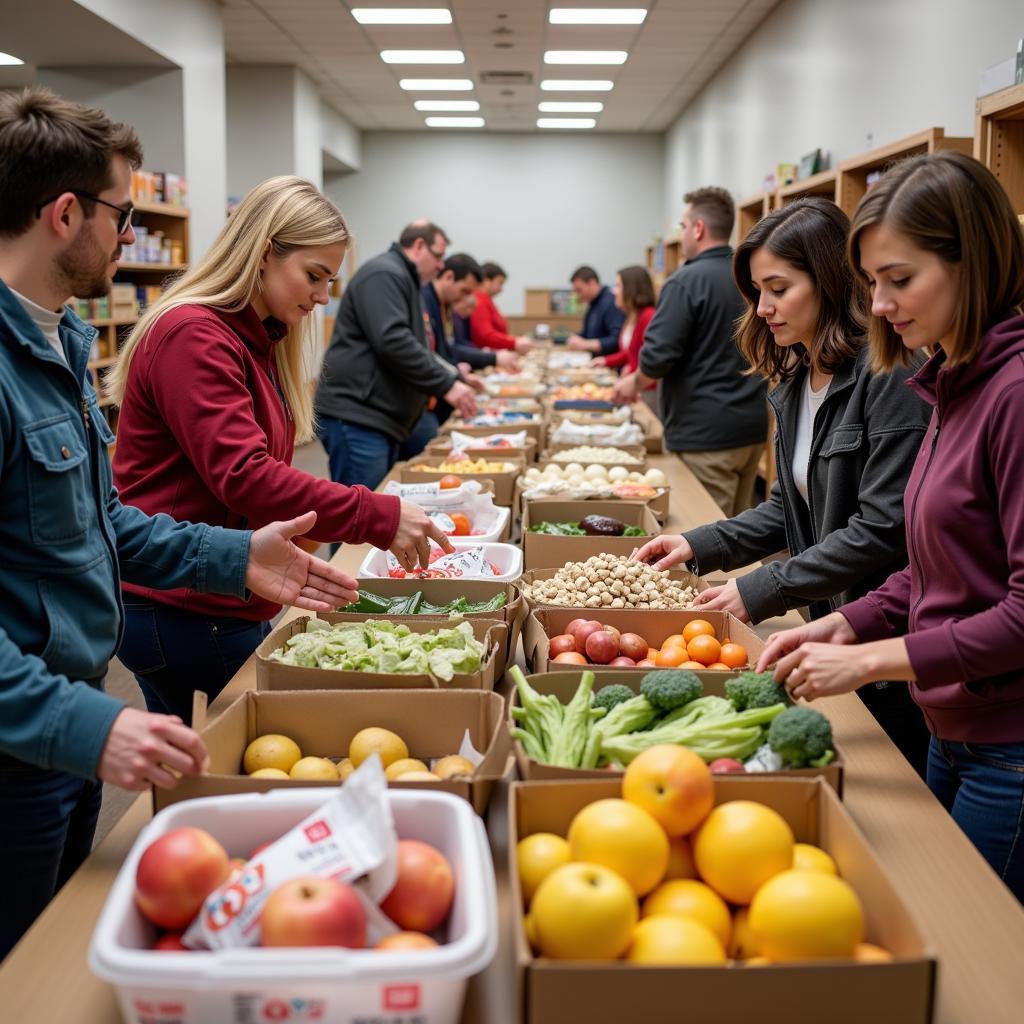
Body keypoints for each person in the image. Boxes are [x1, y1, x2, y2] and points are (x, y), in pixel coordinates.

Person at [0, 87, 358, 957]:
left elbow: (103, 521)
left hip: (73, 721)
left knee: (62, 945)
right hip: (29, 740)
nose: (131, 235)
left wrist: (236, 557)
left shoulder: (61, 343)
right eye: (124, 214)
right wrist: (88, 725)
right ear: (64, 213)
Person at [756, 152, 1024, 899]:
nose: (877, 304)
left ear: (975, 264)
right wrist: (850, 624)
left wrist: (873, 660)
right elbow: (934, 561)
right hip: (951, 725)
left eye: (899, 280)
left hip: (1008, 746)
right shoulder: (949, 382)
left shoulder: (1013, 396)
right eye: (872, 282)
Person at [108, 177, 453, 720]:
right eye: (313, 276)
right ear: (265, 252)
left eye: (329, 281)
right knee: (248, 757)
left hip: (217, 593)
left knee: (200, 762)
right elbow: (245, 475)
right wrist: (374, 514)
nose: (321, 297)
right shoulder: (195, 334)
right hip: (184, 603)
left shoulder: (258, 336)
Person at [634, 197, 931, 774]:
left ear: (827, 281)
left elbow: (882, 528)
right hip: (830, 620)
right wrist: (702, 543)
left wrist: (763, 587)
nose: (764, 307)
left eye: (778, 288)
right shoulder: (799, 372)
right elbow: (788, 506)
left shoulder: (887, 374)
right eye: (756, 291)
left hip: (880, 638)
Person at [612, 187, 768, 517]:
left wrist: (633, 383)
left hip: (704, 435)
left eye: (683, 227)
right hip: (752, 426)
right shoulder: (752, 276)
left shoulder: (685, 281)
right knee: (739, 532)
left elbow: (657, 357)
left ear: (698, 229)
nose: (682, 235)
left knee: (707, 537)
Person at [314, 222, 477, 490]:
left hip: (379, 418)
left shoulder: (402, 278)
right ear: (419, 246)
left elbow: (417, 347)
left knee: (379, 506)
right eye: (438, 256)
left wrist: (454, 377)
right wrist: (447, 384)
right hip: (359, 415)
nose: (440, 266)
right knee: (364, 513)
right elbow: (393, 340)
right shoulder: (384, 274)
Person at [457, 261, 533, 354]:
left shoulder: (487, 300)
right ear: (486, 280)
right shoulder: (479, 301)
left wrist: (515, 340)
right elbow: (485, 336)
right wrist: (515, 342)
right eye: (500, 283)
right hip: (485, 354)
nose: (501, 288)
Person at [594, 265, 657, 376]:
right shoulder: (632, 316)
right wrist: (605, 361)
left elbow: (652, 360)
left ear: (631, 288)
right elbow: (630, 353)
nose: (614, 291)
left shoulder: (648, 316)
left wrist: (631, 371)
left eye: (618, 286)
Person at [565, 265, 625, 356]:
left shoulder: (610, 302)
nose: (577, 295)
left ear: (592, 282)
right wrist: (575, 338)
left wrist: (584, 344)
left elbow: (616, 340)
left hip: (608, 364)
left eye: (579, 290)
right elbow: (588, 334)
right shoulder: (593, 303)